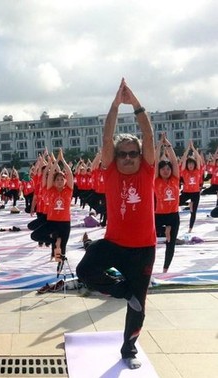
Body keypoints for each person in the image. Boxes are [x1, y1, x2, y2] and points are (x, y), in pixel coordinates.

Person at [76, 78, 156, 370]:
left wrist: (135, 104)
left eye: (132, 153)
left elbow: (147, 134)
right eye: (121, 154)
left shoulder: (147, 172)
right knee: (85, 270)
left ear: (139, 156)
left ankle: (129, 350)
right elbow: (106, 135)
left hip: (143, 249)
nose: (127, 158)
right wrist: (113, 106)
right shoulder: (111, 172)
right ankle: (125, 292)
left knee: (140, 308)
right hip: (113, 244)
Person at [154, 133, 180, 273]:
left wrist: (168, 145)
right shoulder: (156, 180)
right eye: (163, 169)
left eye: (168, 169)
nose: (166, 171)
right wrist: (159, 145)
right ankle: (165, 231)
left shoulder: (175, 178)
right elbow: (155, 160)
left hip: (173, 215)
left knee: (171, 244)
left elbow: (174, 162)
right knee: (151, 238)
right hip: (159, 215)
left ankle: (165, 269)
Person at [178, 140, 204, 233]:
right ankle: (188, 204)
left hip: (195, 193)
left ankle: (190, 228)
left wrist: (193, 148)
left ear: (194, 165)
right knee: (175, 203)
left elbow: (198, 159)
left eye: (192, 164)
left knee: (193, 212)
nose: (190, 165)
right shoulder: (184, 172)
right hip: (186, 192)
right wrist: (187, 149)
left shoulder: (197, 171)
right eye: (189, 164)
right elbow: (184, 159)